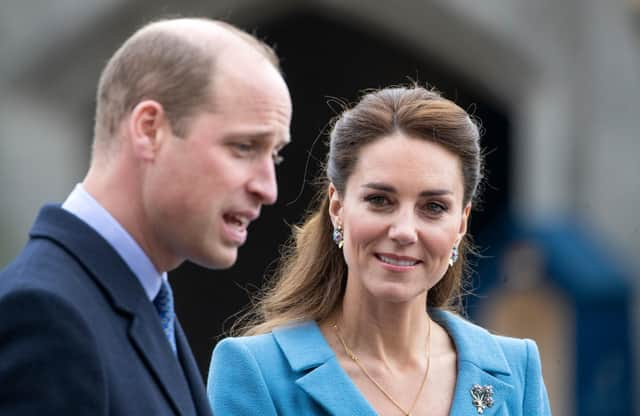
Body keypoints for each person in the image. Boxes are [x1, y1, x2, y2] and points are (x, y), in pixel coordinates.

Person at [0, 17, 292, 415]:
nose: (268, 188)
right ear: (149, 129)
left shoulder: (142, 300)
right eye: (244, 146)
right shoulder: (46, 313)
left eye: (274, 154)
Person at [207, 86, 550, 415]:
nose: (403, 231)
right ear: (337, 208)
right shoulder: (257, 371)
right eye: (379, 200)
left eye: (433, 207)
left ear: (461, 224)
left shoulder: (515, 369)